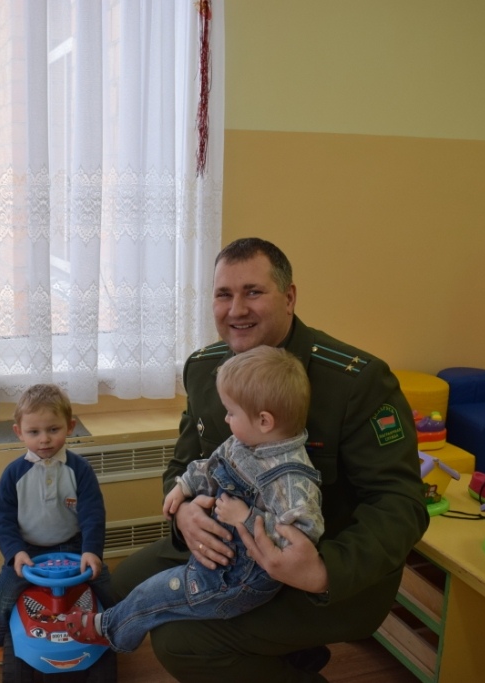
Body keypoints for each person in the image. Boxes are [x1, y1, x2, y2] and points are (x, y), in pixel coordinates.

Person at [111, 237, 430, 682]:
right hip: (228, 545)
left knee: (181, 642)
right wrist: (184, 513)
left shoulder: (356, 382)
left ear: (289, 297)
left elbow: (401, 504)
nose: (236, 309)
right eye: (224, 294)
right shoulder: (204, 369)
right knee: (119, 585)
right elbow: (182, 465)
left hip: (317, 566)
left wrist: (323, 570)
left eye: (253, 292)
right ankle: (287, 659)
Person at [61, 345, 324, 652]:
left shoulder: (292, 479)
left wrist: (246, 518)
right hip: (217, 555)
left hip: (240, 581)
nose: (226, 418)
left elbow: (299, 541)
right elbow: (210, 466)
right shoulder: (244, 441)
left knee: (154, 597)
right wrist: (184, 487)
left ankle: (107, 629)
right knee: (142, 585)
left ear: (264, 421)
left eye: (231, 412)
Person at [0, 383, 115, 665]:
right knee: (3, 594)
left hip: (74, 546)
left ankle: (118, 630)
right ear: (19, 432)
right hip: (29, 550)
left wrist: (91, 551)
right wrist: (15, 552)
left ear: (70, 427)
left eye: (53, 429)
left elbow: (93, 513)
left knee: (108, 587)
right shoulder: (13, 473)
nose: (44, 439)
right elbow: (1, 519)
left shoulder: (80, 470)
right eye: (34, 432)